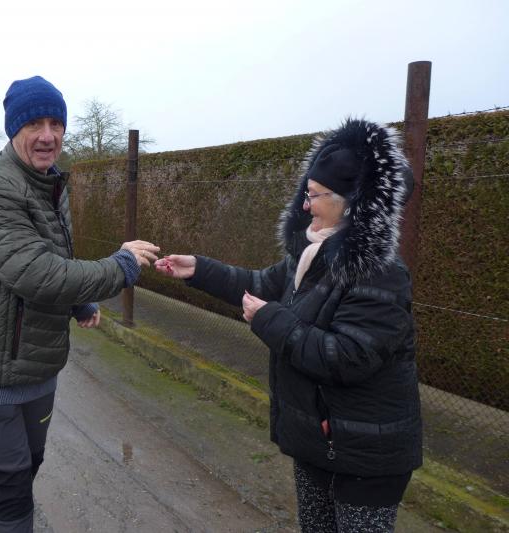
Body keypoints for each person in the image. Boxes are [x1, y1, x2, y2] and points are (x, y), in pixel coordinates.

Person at [155, 118, 421, 532]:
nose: (305, 205)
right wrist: (198, 269)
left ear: (351, 202)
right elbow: (260, 286)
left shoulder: (379, 272)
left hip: (365, 456)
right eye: (306, 193)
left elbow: (349, 357)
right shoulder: (313, 255)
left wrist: (270, 320)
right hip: (319, 441)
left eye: (314, 195)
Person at [0, 75, 159, 532]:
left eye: (56, 124)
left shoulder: (47, 181)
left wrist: (78, 303)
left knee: (30, 463)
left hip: (36, 365)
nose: (48, 135)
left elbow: (49, 256)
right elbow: (38, 275)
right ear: (13, 129)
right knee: (12, 486)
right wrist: (121, 266)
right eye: (34, 124)